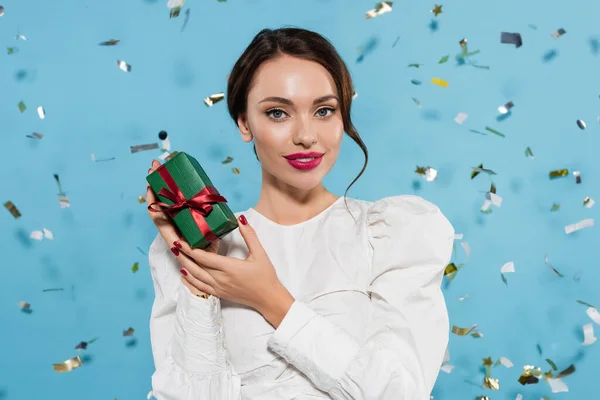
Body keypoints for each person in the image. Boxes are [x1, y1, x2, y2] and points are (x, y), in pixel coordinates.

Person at [145, 27, 454, 400]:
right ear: (244, 123)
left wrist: (271, 300)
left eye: (324, 110)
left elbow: (401, 393)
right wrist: (200, 281)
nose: (306, 135)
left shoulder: (393, 234)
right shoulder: (196, 250)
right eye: (278, 112)